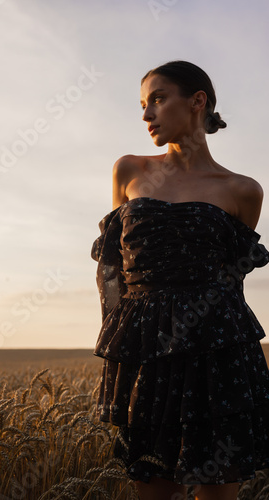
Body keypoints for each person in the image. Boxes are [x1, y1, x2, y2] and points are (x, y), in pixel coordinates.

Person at [91, 60, 269, 500]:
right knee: (155, 491)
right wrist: (120, 342)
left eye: (157, 99)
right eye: (142, 105)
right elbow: (111, 270)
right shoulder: (128, 171)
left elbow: (233, 282)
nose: (146, 114)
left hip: (218, 356)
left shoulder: (243, 190)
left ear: (197, 101)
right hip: (147, 351)